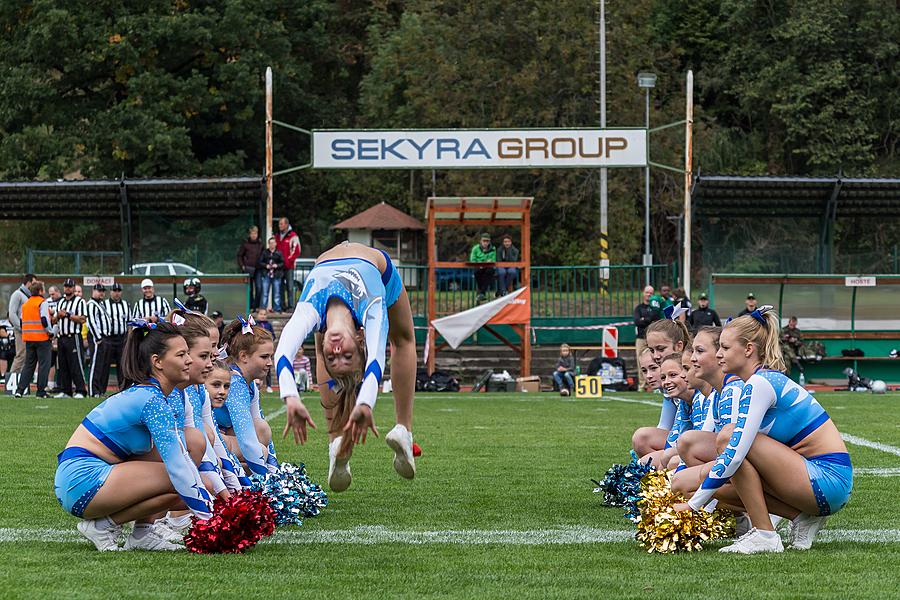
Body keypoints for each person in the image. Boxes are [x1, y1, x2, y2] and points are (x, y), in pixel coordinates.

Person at [675, 307, 853, 554]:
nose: (718, 354)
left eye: (725, 348)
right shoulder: (756, 381)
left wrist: (693, 506)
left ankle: (765, 534)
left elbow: (735, 451)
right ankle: (800, 517)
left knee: (728, 438)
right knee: (702, 449)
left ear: (748, 349)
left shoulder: (760, 383)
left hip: (827, 482)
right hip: (813, 480)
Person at [54, 322, 213, 552]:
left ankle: (142, 534)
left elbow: (184, 455)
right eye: (181, 354)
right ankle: (102, 526)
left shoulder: (158, 396)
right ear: (157, 362)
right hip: (81, 480)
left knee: (193, 456)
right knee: (179, 479)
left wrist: (211, 496)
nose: (189, 360)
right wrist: (213, 519)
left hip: (95, 475)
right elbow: (178, 468)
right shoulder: (152, 400)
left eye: (188, 353)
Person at [274, 241, 417, 493]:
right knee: (403, 340)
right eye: (348, 356)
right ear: (360, 337)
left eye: (333, 358)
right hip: (377, 269)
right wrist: (364, 404)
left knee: (318, 349)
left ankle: (335, 442)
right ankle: (403, 428)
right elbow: (374, 363)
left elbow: (282, 352)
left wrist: (291, 396)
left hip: (324, 263)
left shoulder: (310, 312)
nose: (336, 350)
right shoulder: (372, 310)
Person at [216, 318, 278, 476]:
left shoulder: (249, 383)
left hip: (222, 437)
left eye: (271, 357)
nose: (270, 362)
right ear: (243, 356)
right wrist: (267, 480)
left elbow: (258, 422)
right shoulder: (235, 382)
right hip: (211, 440)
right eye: (264, 357)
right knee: (260, 451)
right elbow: (246, 440)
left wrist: (275, 471)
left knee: (261, 428)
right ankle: (240, 487)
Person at [630, 316, 692, 457]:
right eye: (652, 350)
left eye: (660, 349)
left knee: (666, 456)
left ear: (679, 346)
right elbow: (666, 425)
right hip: (688, 438)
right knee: (642, 441)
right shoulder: (669, 383)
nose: (656, 356)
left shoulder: (693, 376)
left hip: (703, 441)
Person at [14, 280, 54, 398]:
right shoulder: (42, 302)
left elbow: (22, 321)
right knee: (44, 365)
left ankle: (19, 390)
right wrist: (50, 332)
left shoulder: (26, 304)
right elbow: (44, 320)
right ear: (41, 291)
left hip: (29, 339)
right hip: (42, 339)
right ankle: (41, 392)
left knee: (28, 365)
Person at [55, 278, 88, 398]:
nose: (67, 288)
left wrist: (68, 315)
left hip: (73, 336)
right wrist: (58, 315)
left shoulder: (80, 302)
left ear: (74, 288)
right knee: (63, 365)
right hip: (61, 337)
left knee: (76, 364)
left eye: (70, 286)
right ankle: (66, 391)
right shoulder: (60, 302)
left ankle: (81, 390)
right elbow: (54, 320)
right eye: (66, 286)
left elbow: (83, 319)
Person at [7, 273, 36, 389]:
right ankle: (11, 383)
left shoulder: (29, 295)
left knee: (27, 356)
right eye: (33, 283)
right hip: (21, 331)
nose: (34, 286)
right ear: (28, 283)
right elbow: (12, 314)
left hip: (29, 331)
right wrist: (20, 327)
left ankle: (22, 383)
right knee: (20, 355)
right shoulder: (18, 294)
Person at [86, 284, 113, 397]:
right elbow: (91, 322)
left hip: (105, 337)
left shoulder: (100, 304)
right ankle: (93, 391)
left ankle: (100, 390)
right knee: (96, 364)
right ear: (93, 291)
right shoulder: (91, 304)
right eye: (99, 291)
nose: (101, 293)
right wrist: (98, 338)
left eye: (102, 291)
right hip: (97, 337)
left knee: (103, 365)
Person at [633, 285, 661, 390]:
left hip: (653, 338)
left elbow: (656, 319)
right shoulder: (639, 308)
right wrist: (648, 319)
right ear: (643, 293)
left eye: (651, 293)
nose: (649, 295)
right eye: (647, 292)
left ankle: (655, 385)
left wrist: (645, 319)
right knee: (640, 361)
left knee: (656, 360)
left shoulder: (656, 308)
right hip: (641, 338)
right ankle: (642, 385)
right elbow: (637, 322)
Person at [103, 283, 130, 392]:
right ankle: (101, 390)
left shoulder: (125, 304)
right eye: (114, 290)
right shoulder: (104, 304)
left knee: (122, 365)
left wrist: (128, 338)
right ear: (110, 292)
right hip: (109, 338)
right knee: (105, 365)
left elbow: (129, 322)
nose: (117, 293)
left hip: (122, 338)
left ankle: (123, 389)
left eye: (119, 290)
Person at [276, 217, 302, 311]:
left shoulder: (293, 236)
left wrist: (287, 261)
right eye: (279, 224)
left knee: (290, 286)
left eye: (281, 224)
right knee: (280, 287)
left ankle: (291, 306)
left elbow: (297, 250)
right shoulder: (277, 236)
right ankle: (282, 306)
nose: (280, 226)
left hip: (289, 266)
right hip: (279, 266)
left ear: (287, 225)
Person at [237, 225, 264, 309]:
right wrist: (242, 266)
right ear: (249, 234)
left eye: (255, 233)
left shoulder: (260, 244)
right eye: (252, 233)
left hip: (258, 269)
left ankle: (256, 306)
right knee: (250, 290)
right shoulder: (245, 244)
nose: (254, 235)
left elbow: (263, 256)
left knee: (259, 288)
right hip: (248, 269)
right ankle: (250, 307)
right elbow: (239, 256)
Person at [258, 237, 285, 312]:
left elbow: (283, 263)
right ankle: (263, 309)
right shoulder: (264, 252)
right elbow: (260, 262)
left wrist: (277, 265)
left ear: (275, 244)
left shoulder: (279, 253)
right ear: (268, 244)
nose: (272, 244)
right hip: (266, 275)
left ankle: (277, 309)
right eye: (270, 243)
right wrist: (265, 265)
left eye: (273, 243)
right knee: (265, 293)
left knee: (276, 293)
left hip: (276, 275)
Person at [469, 233, 496, 304]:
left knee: (490, 272)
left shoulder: (493, 249)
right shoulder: (475, 248)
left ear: (489, 242)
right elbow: (472, 259)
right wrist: (482, 263)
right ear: (480, 241)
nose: (485, 243)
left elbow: (493, 260)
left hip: (488, 268)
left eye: (487, 241)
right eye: (484, 241)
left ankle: (481, 293)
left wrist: (486, 262)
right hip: (479, 267)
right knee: (477, 272)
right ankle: (482, 293)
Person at [256, 308, 275, 393]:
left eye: (264, 314)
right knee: (257, 366)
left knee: (268, 367)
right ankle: (257, 384)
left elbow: (273, 335)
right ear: (257, 315)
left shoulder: (269, 325)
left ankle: (269, 385)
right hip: (258, 348)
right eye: (261, 314)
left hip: (266, 349)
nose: (263, 316)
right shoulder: (255, 325)